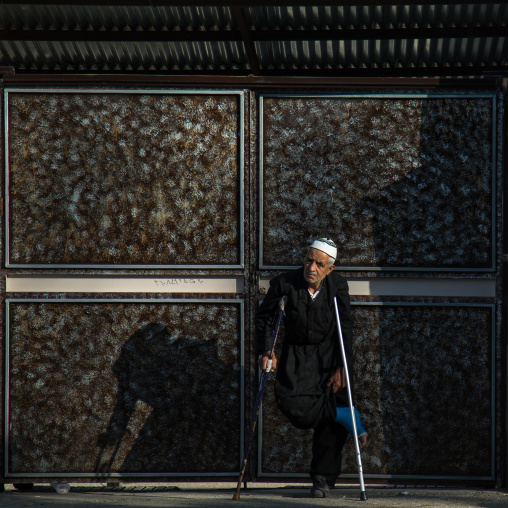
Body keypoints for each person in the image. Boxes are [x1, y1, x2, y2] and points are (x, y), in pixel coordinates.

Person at [256, 238, 367, 498]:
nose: (312, 267)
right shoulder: (285, 283)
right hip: (296, 355)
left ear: (330, 269)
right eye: (309, 260)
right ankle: (346, 415)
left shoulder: (337, 286)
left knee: (329, 428)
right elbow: (265, 317)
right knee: (289, 401)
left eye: (319, 264)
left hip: (328, 357)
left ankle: (322, 479)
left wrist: (343, 367)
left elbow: (346, 329)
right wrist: (266, 350)